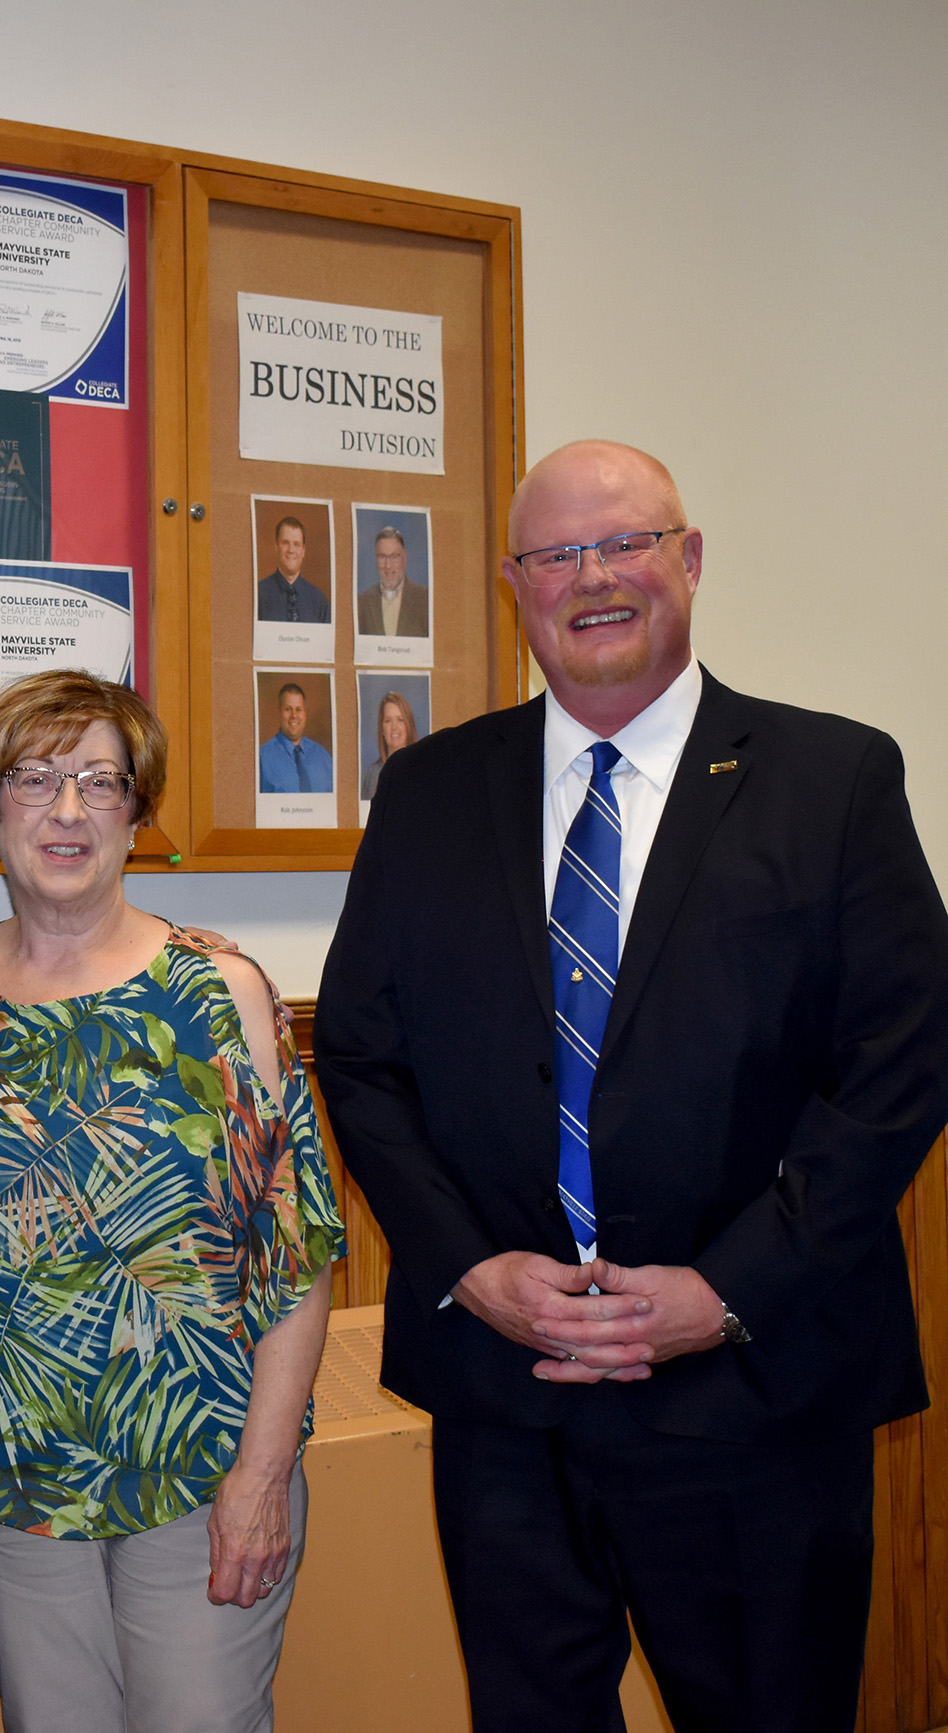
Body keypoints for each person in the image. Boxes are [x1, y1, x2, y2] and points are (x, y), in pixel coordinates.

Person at [316, 440, 948, 1733]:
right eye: (558, 553)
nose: (593, 576)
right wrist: (467, 1268)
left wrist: (728, 1291)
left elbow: (904, 1061)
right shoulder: (430, 791)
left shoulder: (833, 781)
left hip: (758, 1393)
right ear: (515, 585)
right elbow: (363, 1057)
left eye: (626, 542)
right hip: (507, 1397)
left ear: (690, 559)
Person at [0, 669, 341, 1733]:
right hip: (15, 1487)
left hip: (201, 1471)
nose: (68, 810)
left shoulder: (218, 993)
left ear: (136, 812)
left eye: (100, 782)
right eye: (35, 779)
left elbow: (296, 1256)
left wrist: (263, 1473)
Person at [257, 680, 333, 793]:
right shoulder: (262, 758)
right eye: (288, 709)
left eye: (298, 709)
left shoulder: (323, 756)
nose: (294, 715)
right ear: (279, 712)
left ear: (305, 713)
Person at [254, 515, 331, 624]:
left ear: (303, 551)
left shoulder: (319, 601)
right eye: (285, 543)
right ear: (276, 547)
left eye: (296, 544)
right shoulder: (258, 595)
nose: (291, 550)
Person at [355, 526, 429, 637]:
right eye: (382, 557)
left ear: (404, 558)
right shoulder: (361, 603)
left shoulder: (425, 599)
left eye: (394, 556)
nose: (388, 565)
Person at [358, 687, 419, 801]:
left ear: (409, 725)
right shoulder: (373, 774)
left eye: (400, 719)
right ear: (382, 729)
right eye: (388, 721)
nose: (394, 727)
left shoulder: (422, 771)